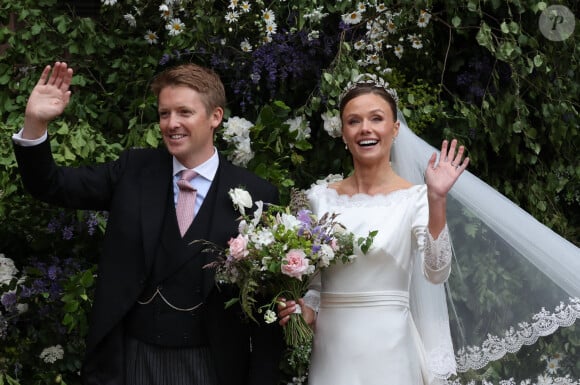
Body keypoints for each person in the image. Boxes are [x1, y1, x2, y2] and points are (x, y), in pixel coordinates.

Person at [12, 62, 284, 385]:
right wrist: (34, 124)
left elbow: (268, 308)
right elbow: (50, 184)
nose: (171, 124)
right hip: (133, 361)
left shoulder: (258, 195)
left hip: (212, 366)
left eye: (184, 112)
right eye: (164, 113)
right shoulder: (133, 171)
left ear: (216, 117)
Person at [278, 74, 468, 384]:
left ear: (394, 129)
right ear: (344, 133)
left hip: (390, 348)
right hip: (333, 351)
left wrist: (437, 199)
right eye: (354, 121)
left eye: (376, 118)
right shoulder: (318, 198)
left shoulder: (416, 198)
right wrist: (305, 312)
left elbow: (436, 272)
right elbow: (315, 287)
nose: (365, 128)